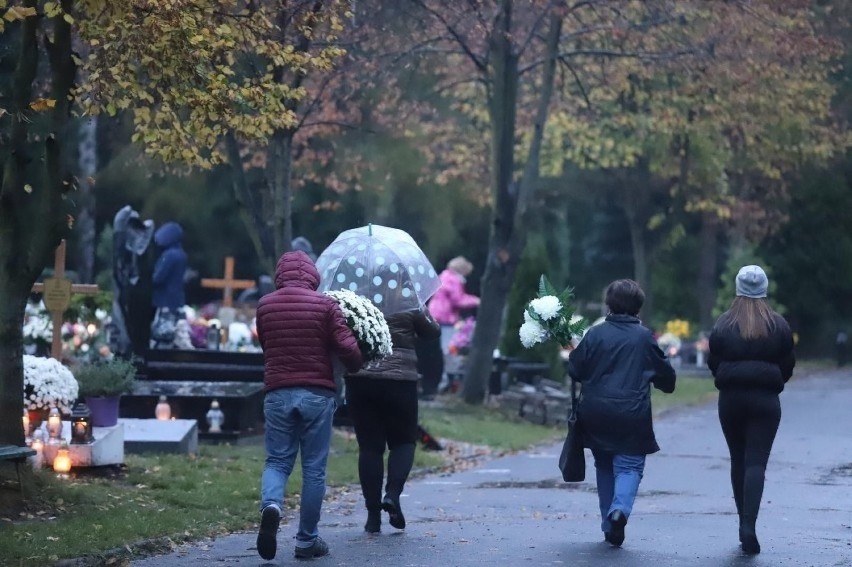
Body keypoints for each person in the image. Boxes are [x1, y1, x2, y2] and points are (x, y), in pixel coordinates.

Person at [254, 250, 363, 561]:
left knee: (277, 461)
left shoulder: (265, 305)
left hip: (277, 392)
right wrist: (357, 360)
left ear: (280, 275)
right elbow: (346, 347)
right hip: (317, 393)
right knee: (314, 469)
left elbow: (266, 344)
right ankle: (306, 541)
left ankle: (272, 505)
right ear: (313, 275)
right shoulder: (326, 305)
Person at [567, 279, 676, 548]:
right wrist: (662, 381)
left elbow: (576, 370)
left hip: (596, 411)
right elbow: (666, 378)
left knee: (604, 465)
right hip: (631, 412)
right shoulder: (643, 338)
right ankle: (619, 511)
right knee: (628, 466)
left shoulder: (595, 334)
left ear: (609, 304)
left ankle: (608, 525)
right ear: (638, 307)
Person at [708, 265, 795, 555]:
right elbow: (787, 365)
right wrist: (774, 381)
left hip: (731, 400)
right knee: (757, 462)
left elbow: (714, 361)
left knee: (738, 459)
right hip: (766, 402)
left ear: (737, 288)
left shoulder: (723, 323)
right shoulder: (778, 325)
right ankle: (750, 524)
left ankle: (741, 522)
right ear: (764, 289)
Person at [345, 302, 440, 533]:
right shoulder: (409, 300)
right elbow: (432, 331)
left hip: (361, 378)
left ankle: (372, 516)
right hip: (400, 381)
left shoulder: (353, 300)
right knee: (404, 441)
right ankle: (392, 495)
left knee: (369, 448)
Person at [428, 256, 480, 354]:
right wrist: (476, 301)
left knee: (436, 343)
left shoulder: (445, 276)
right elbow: (458, 299)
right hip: (445, 316)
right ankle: (445, 365)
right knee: (446, 345)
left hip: (435, 313)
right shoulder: (454, 280)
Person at [150, 221, 188, 348]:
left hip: (164, 301)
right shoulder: (181, 254)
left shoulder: (169, 255)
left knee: (163, 334)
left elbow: (158, 278)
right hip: (177, 300)